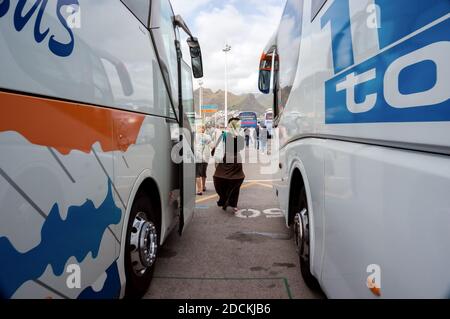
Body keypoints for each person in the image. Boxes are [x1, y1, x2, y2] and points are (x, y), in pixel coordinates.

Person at [211, 118, 245, 212]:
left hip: (232, 160)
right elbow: (216, 146)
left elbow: (241, 147)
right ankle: (226, 200)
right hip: (229, 160)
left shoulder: (237, 135)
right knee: (225, 180)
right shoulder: (225, 134)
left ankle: (230, 202)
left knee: (231, 181)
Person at [195, 125, 212, 195]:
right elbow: (211, 145)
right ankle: (203, 187)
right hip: (205, 157)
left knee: (197, 174)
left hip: (197, 157)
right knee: (203, 172)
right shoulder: (208, 137)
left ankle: (199, 190)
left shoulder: (195, 136)